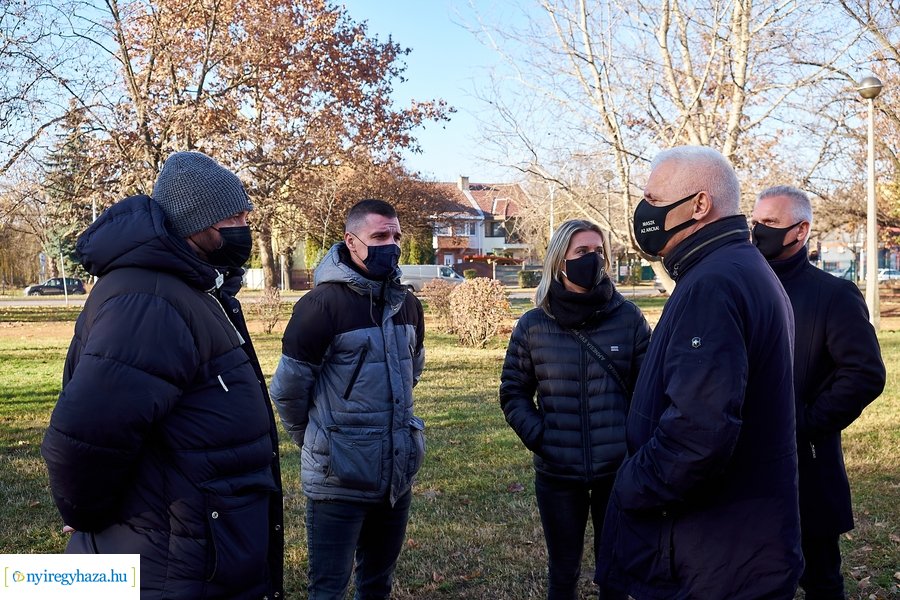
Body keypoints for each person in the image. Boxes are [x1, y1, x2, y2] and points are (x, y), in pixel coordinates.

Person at [41, 151, 284, 598]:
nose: (245, 224)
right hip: (169, 559)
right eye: (234, 215)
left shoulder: (187, 288)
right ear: (197, 223)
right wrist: (89, 515)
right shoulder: (151, 300)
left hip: (193, 548)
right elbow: (85, 434)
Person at [599, 146, 803, 599]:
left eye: (653, 198)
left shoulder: (715, 283)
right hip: (737, 547)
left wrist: (630, 486)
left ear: (698, 204)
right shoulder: (738, 269)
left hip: (713, 557)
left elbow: (697, 435)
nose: (644, 210)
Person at [269, 198, 425, 600]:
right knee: (329, 590)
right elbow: (287, 391)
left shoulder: (407, 304)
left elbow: (411, 374)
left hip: (395, 476)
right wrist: (322, 443)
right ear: (351, 242)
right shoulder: (320, 307)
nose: (390, 244)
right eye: (379, 236)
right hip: (337, 481)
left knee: (378, 585)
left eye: (395, 236)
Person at [500, 219, 651, 600]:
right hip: (558, 472)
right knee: (563, 570)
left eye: (599, 252)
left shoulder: (628, 318)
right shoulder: (534, 325)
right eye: (582, 252)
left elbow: (649, 391)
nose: (593, 259)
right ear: (559, 261)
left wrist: (632, 445)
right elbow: (514, 392)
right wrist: (540, 436)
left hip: (616, 471)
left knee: (615, 568)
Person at [751, 185, 885, 600]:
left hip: (805, 470)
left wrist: (806, 423)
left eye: (771, 223)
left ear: (800, 230)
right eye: (754, 221)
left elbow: (864, 373)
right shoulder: (743, 286)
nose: (758, 231)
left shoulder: (833, 295)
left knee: (821, 579)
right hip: (743, 466)